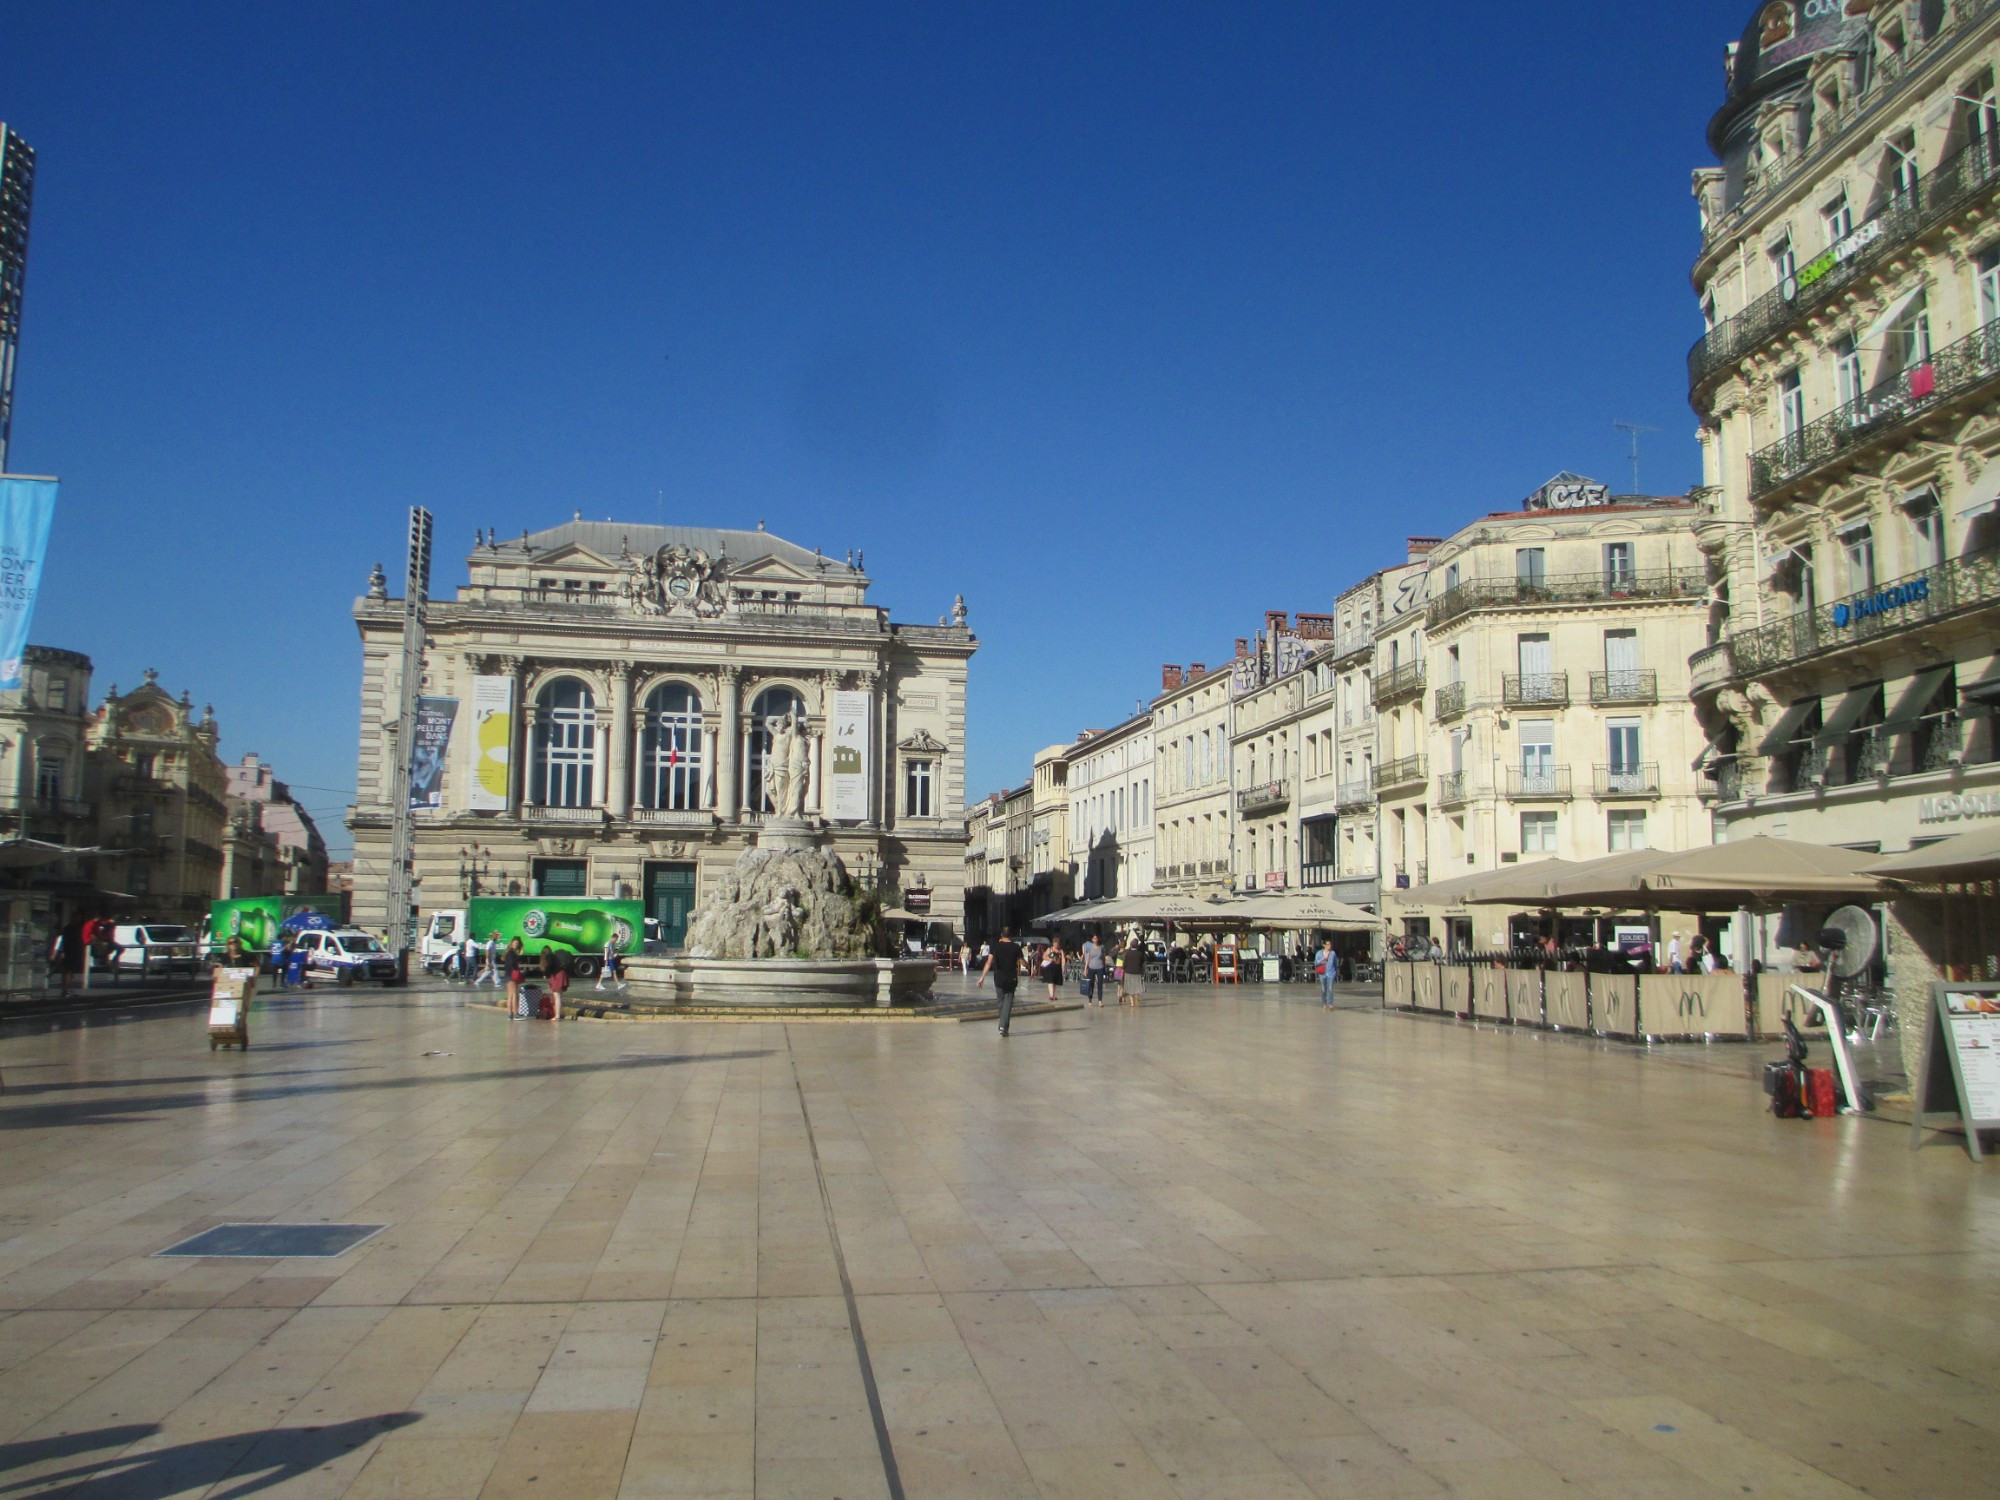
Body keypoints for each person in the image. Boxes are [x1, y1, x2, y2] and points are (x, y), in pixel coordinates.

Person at [975, 926, 1024, 1036]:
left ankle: (1003, 1027)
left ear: (1001, 935)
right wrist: (1028, 965)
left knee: (1001, 1002)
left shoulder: (995, 946)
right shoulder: (1016, 947)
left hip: (998, 977)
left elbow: (989, 962)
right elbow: (1022, 961)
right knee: (1008, 1002)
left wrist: (981, 978)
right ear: (1011, 935)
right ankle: (1003, 1026)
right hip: (1011, 977)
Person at [541, 945, 570, 1020]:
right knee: (558, 996)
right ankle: (558, 1014)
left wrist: (545, 974)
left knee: (557, 996)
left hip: (557, 975)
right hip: (561, 974)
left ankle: (557, 1016)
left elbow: (550, 965)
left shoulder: (549, 956)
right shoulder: (554, 956)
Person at [1119, 934, 1147, 1006]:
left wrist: (1124, 969)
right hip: (1137, 972)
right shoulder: (1140, 954)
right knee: (1137, 987)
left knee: (1130, 988)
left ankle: (1132, 1003)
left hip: (1129, 972)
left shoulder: (1128, 953)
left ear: (1131, 945)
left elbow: (1124, 963)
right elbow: (1142, 962)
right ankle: (1137, 999)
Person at [1081, 932, 1107, 1007]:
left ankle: (1100, 1000)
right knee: (1091, 984)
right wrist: (1085, 969)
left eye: (1096, 938)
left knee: (1100, 984)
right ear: (1092, 939)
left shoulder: (1101, 947)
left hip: (1100, 967)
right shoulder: (1089, 947)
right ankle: (1090, 999)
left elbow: (1103, 957)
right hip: (1091, 967)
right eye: (1094, 938)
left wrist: (1104, 966)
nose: (1095, 940)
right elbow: (1088, 958)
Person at [504, 936, 527, 1017]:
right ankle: (515, 1013)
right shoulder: (511, 952)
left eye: (517, 944)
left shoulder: (509, 951)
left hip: (508, 974)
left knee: (510, 995)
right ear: (512, 943)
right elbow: (512, 963)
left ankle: (510, 1014)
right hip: (511, 975)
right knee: (514, 994)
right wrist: (520, 956)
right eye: (515, 943)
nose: (516, 945)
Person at [1039, 937, 1065, 1002]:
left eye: (1057, 944)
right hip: (1050, 967)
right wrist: (1051, 959)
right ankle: (1051, 995)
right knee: (1050, 981)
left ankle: (1053, 994)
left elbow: (1063, 959)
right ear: (1053, 943)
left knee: (1055, 981)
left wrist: (1063, 966)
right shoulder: (1049, 949)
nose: (1056, 945)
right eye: (1055, 943)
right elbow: (1044, 956)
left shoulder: (1061, 950)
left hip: (1057, 967)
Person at [1316, 937, 1338, 1009]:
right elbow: (1316, 963)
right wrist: (1323, 959)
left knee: (1330, 988)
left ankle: (1330, 1003)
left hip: (1331, 973)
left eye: (1330, 945)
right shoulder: (1319, 953)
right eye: (1328, 945)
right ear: (1324, 945)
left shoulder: (1333, 953)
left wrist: (1336, 971)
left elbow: (1335, 962)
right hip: (1322, 973)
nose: (1329, 946)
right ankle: (1324, 1003)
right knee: (1323, 988)